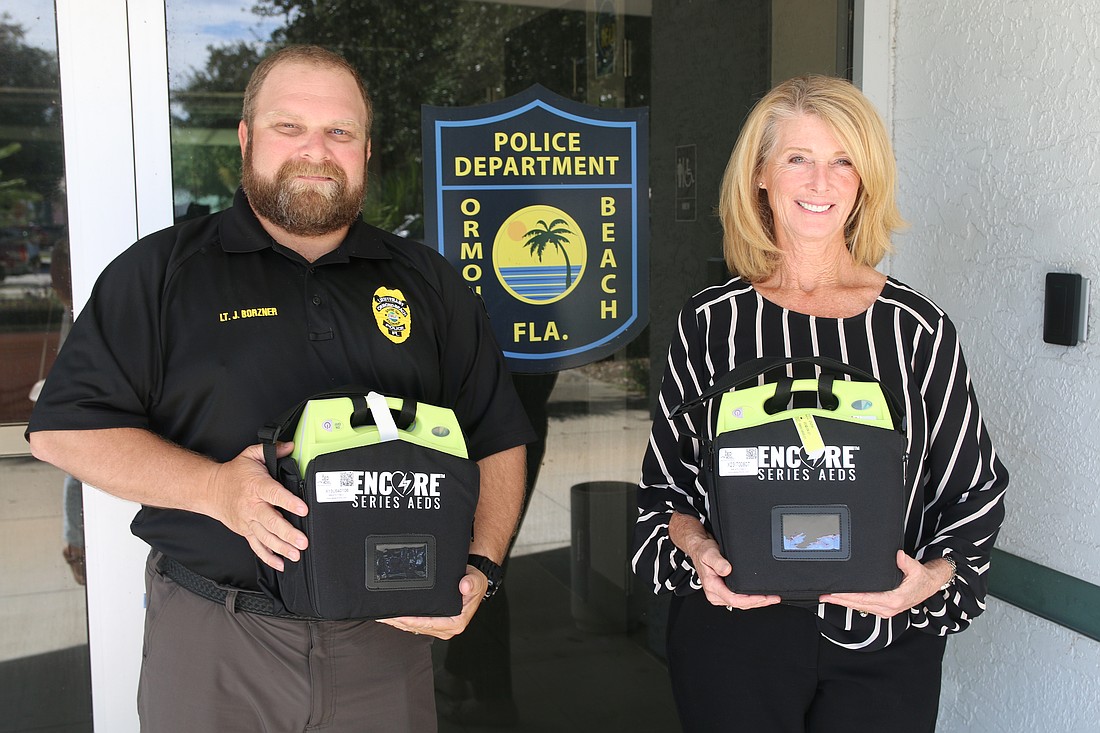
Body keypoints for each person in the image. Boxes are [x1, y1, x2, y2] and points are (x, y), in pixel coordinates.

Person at [27, 45, 534, 733]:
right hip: (219, 645)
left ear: (365, 149)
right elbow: (65, 430)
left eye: (339, 132)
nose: (314, 151)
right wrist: (213, 488)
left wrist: (481, 562)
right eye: (288, 127)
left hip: (387, 646)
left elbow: (497, 434)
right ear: (246, 138)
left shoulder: (428, 282)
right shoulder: (163, 273)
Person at [632, 75, 1008, 733]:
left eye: (843, 161)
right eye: (798, 158)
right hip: (734, 641)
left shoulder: (914, 328)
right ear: (760, 175)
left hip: (884, 648)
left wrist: (926, 581)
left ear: (865, 180)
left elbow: (972, 495)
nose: (821, 182)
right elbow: (666, 489)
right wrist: (697, 551)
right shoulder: (711, 323)